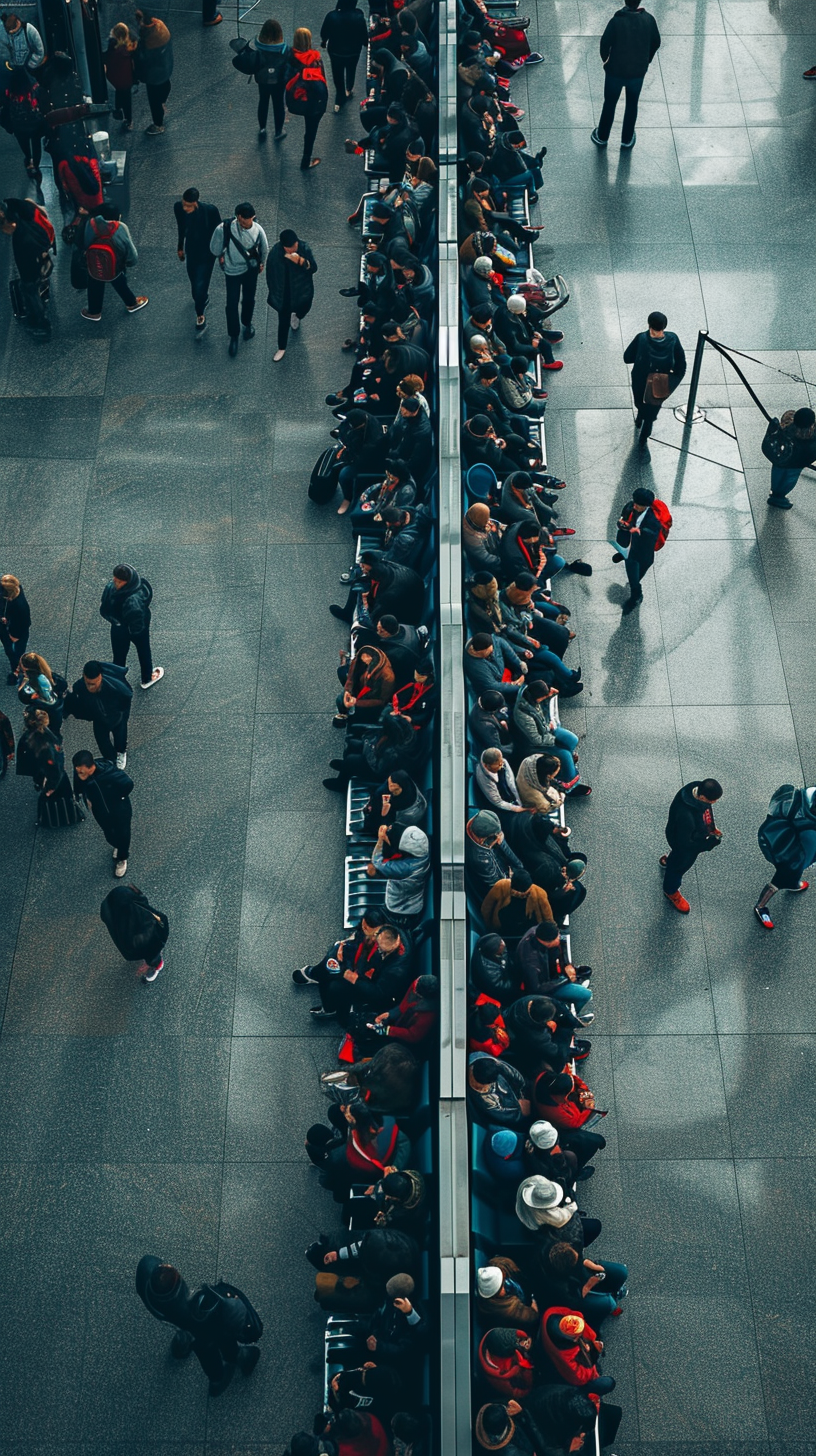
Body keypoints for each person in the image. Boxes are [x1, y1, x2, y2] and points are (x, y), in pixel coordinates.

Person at [135, 1257, 261, 1395]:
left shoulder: (150, 1290)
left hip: (177, 1322)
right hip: (203, 1330)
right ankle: (223, 1373)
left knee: (196, 1338)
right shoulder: (200, 1305)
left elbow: (147, 1264)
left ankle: (183, 1343)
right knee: (210, 1347)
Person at [590, 0, 661, 151]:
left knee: (609, 103)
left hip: (615, 71)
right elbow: (656, 42)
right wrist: (646, 60)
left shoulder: (616, 21)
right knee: (632, 104)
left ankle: (602, 136)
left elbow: (604, 44)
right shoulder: (649, 20)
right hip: (637, 73)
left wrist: (606, 61)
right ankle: (627, 138)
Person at [754, 785, 816, 930]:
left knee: (797, 869)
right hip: (789, 852)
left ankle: (793, 883)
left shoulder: (804, 800)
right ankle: (761, 906)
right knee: (782, 877)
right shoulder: (799, 809)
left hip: (804, 848)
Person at [660, 778, 724, 914]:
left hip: (677, 833)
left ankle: (669, 860)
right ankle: (671, 891)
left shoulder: (693, 790)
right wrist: (709, 844)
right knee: (679, 866)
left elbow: (706, 811)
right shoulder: (686, 817)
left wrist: (710, 827)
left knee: (676, 856)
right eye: (712, 801)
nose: (714, 803)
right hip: (682, 843)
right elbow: (686, 846)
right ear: (702, 797)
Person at [622, 311, 686, 444]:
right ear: (664, 326)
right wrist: (672, 381)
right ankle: (646, 428)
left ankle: (640, 416)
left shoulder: (641, 338)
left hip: (640, 378)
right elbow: (681, 366)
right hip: (660, 382)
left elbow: (627, 357)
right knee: (654, 404)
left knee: (640, 401)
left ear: (649, 324)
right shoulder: (673, 339)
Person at [99, 563, 164, 689]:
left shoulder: (110, 589)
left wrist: (116, 622)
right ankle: (147, 678)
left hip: (118, 628)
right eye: (115, 580)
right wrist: (134, 631)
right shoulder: (139, 593)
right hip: (137, 629)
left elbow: (104, 610)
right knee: (143, 651)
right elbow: (138, 622)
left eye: (119, 581)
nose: (115, 584)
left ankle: (118, 682)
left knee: (119, 657)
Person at [80, 204, 148, 321]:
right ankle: (131, 303)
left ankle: (94, 312)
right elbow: (129, 249)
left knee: (94, 280)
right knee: (117, 279)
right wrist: (130, 262)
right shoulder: (120, 227)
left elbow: (86, 242)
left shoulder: (91, 224)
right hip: (115, 262)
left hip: (94, 261)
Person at [73, 749, 135, 877]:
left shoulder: (110, 774)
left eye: (82, 772)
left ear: (91, 767)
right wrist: (84, 796)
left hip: (120, 811)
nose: (79, 775)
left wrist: (116, 797)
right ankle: (117, 845)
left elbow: (128, 784)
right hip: (100, 811)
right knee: (109, 834)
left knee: (123, 836)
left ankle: (122, 859)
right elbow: (78, 784)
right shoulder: (82, 772)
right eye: (78, 772)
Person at [0, 198, 53, 339]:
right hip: (39, 261)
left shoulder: (23, 240)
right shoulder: (21, 216)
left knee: (30, 292)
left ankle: (41, 325)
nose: (4, 233)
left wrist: (27, 279)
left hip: (30, 269)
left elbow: (27, 267)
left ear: (10, 224)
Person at [63, 660, 133, 767]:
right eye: (88, 683)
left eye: (93, 684)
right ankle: (111, 759)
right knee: (102, 742)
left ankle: (121, 751)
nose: (90, 687)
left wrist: (122, 716)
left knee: (120, 736)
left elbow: (126, 701)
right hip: (99, 718)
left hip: (117, 716)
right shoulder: (79, 687)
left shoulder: (118, 689)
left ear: (100, 676)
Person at [174, 189, 222, 335]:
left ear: (196, 203)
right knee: (194, 280)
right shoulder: (178, 208)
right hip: (192, 250)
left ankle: (200, 314)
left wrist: (220, 253)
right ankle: (201, 299)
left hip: (207, 253)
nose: (185, 208)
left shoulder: (210, 211)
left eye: (188, 205)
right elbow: (181, 227)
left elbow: (219, 232)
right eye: (183, 204)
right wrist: (180, 247)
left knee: (201, 283)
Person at [266, 227, 317, 361]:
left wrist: (301, 261)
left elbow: (313, 268)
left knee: (305, 307)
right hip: (284, 294)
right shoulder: (275, 254)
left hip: (302, 291)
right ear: (284, 247)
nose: (294, 248)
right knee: (283, 321)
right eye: (291, 247)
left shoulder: (304, 248)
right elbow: (270, 274)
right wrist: (273, 291)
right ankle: (281, 347)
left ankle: (298, 315)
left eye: (295, 245)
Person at [101, 883, 169, 981]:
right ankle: (155, 963)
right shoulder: (148, 917)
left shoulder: (135, 940)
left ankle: (156, 963)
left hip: (128, 931)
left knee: (151, 951)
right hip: (141, 934)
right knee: (151, 950)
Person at [367, 824, 430, 925]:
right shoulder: (423, 851)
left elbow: (377, 863)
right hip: (412, 903)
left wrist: (380, 840)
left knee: (371, 918)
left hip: (400, 910)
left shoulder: (406, 867)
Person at [285, 28, 328, 170]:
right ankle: (305, 160)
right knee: (310, 131)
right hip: (313, 102)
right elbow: (322, 79)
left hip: (296, 99)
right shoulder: (315, 57)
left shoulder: (289, 55)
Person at [614, 486, 661, 613]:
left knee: (635, 579)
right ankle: (622, 555)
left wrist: (636, 531)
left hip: (641, 555)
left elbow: (651, 536)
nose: (635, 506)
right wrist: (622, 524)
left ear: (646, 506)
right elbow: (622, 519)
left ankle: (636, 596)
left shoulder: (653, 520)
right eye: (634, 503)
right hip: (628, 547)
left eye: (638, 505)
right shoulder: (630, 506)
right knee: (632, 574)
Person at [764, 407, 816, 510]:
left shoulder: (786, 430)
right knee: (790, 478)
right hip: (799, 463)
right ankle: (780, 495)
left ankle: (775, 492)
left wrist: (772, 429)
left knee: (778, 473)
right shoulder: (813, 435)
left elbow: (772, 439)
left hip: (782, 459)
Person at [249, 18, 292, 141]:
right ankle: (278, 131)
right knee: (278, 105)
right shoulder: (284, 48)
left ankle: (262, 128)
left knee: (263, 102)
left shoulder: (258, 46)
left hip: (263, 80)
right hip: (279, 81)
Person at [320, 0, 368, 112]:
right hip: (353, 52)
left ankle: (340, 96)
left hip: (336, 52)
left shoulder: (331, 16)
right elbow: (364, 38)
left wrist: (325, 41)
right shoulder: (359, 17)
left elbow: (324, 33)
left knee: (337, 74)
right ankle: (349, 87)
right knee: (351, 69)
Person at [135, 9, 174, 136]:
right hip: (165, 68)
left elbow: (143, 58)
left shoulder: (149, 40)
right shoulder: (160, 26)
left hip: (153, 75)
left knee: (154, 100)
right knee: (166, 85)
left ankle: (158, 124)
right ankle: (162, 102)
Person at [2, 68, 44, 181]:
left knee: (24, 143)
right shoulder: (34, 86)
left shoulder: (10, 89)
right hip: (35, 122)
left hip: (18, 124)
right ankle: (36, 163)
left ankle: (28, 159)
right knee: (36, 143)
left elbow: (5, 105)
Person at [18, 651, 68, 736]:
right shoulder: (52, 677)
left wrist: (24, 681)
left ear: (27, 670)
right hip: (56, 710)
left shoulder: (29, 688)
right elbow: (64, 685)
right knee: (55, 731)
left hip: (40, 713)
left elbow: (23, 698)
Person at [104, 23, 139, 131]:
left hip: (115, 79)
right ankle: (128, 120)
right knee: (127, 100)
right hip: (127, 80)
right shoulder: (128, 50)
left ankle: (118, 110)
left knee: (118, 93)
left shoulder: (112, 48)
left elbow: (106, 60)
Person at [0, 572, 30, 682]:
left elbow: (26, 622)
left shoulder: (20, 605)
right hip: (7, 625)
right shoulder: (13, 591)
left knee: (14, 653)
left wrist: (14, 636)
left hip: (15, 633)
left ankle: (17, 671)